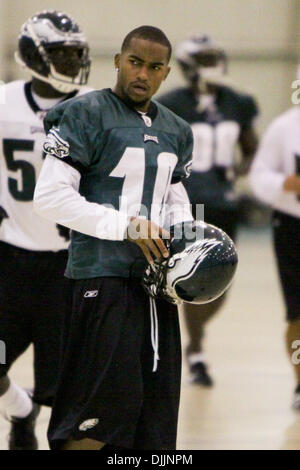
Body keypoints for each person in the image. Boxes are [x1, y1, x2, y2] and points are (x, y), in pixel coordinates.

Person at [34, 26, 194, 450]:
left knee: (154, 426)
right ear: (118, 61)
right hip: (101, 282)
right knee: (96, 421)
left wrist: (194, 249)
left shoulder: (177, 129)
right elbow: (49, 197)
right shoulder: (84, 113)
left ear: (166, 73)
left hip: (158, 292)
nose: (142, 73)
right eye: (135, 62)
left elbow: (176, 201)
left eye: (154, 67)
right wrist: (126, 226)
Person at [0, 10, 91, 450]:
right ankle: (19, 409)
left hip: (72, 268)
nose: (73, 64)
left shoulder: (95, 106)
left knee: (68, 393)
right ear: (33, 55)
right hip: (9, 258)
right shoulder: (3, 103)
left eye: (77, 54)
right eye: (62, 54)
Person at [158, 34, 259, 386]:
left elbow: (250, 147)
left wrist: (238, 173)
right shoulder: (172, 104)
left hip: (224, 202)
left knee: (221, 279)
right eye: (204, 58)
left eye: (214, 56)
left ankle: (194, 341)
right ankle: (193, 349)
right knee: (183, 274)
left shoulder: (238, 102)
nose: (212, 64)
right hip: (187, 203)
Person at [249, 100, 300, 410]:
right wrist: (284, 182)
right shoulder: (286, 126)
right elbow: (259, 176)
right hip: (293, 225)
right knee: (297, 312)